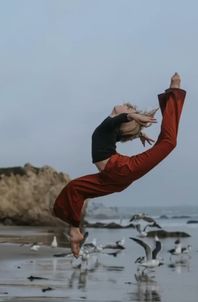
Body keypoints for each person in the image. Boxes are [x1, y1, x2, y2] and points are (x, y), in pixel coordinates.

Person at [52, 73, 186, 257]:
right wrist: (135, 122)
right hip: (112, 178)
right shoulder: (109, 126)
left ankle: (175, 91)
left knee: (169, 142)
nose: (124, 105)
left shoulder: (111, 124)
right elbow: (118, 117)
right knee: (74, 188)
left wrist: (137, 128)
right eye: (128, 108)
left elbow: (120, 116)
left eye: (128, 108)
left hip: (120, 170)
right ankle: (75, 231)